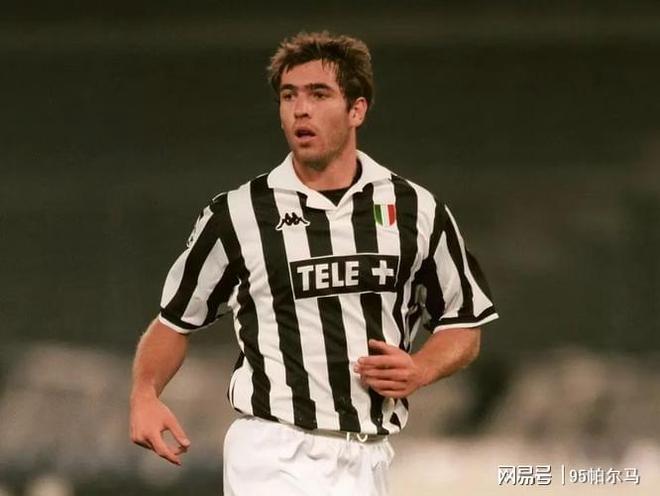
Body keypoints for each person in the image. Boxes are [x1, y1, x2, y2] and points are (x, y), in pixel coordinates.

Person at [129, 31, 498, 495]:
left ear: (357, 110)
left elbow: (464, 322)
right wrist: (144, 394)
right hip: (273, 450)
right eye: (289, 96)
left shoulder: (416, 209)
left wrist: (421, 368)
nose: (300, 110)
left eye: (318, 94)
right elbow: (174, 321)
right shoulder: (237, 215)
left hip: (368, 454)